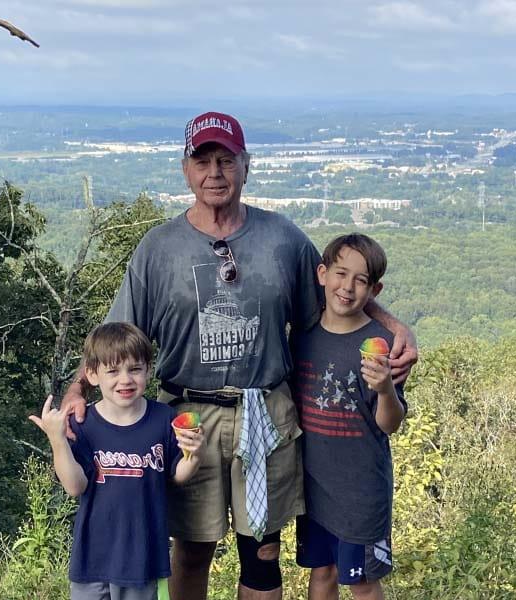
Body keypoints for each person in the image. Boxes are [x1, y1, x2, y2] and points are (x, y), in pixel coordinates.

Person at [62, 111, 418, 600]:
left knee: (262, 551)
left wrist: (395, 326)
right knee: (190, 548)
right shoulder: (159, 248)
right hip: (187, 416)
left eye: (226, 160)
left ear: (246, 167)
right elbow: (117, 336)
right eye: (202, 160)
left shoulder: (282, 239)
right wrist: (77, 390)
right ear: (185, 169)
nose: (215, 173)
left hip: (265, 409)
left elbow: (338, 288)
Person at [30, 322, 204, 600]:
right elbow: (75, 486)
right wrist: (57, 441)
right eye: (113, 371)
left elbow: (179, 475)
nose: (125, 380)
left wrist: (193, 453)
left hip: (141, 562)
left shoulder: (164, 419)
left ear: (148, 368)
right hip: (91, 559)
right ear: (92, 374)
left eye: (134, 369)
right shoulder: (83, 424)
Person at [290, 233, 406, 600]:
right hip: (312, 487)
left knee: (361, 581)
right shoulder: (301, 336)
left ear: (375, 289)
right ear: (322, 274)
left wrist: (386, 388)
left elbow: (390, 424)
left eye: (361, 280)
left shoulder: (380, 344)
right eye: (341, 273)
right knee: (321, 572)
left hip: (360, 493)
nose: (348, 287)